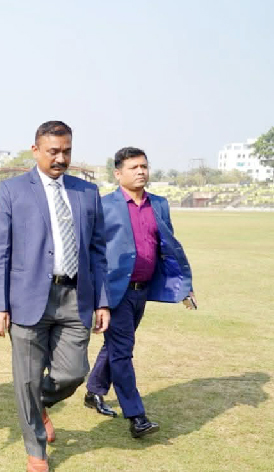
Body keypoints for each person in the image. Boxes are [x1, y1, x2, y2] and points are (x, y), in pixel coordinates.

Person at [0, 120, 110, 472]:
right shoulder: (12, 191)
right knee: (26, 377)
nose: (60, 158)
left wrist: (102, 301)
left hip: (76, 296)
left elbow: (98, 251)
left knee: (73, 373)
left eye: (66, 151)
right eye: (53, 151)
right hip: (26, 299)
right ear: (35, 150)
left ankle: (38, 405)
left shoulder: (86, 193)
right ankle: (36, 450)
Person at [83, 147, 195, 437]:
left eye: (144, 166)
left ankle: (94, 390)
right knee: (122, 351)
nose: (141, 171)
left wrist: (184, 286)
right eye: (133, 167)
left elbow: (169, 248)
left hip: (142, 291)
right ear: (118, 174)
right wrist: (97, 296)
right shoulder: (104, 206)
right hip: (113, 291)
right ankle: (137, 416)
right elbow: (92, 253)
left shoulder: (159, 204)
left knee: (116, 345)